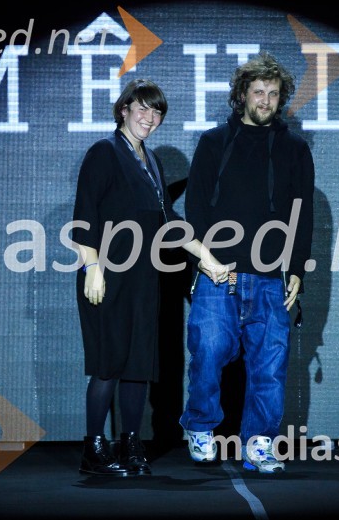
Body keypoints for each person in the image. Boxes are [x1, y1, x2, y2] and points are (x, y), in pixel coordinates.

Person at [72, 79, 227, 477]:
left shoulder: (151, 161)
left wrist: (206, 258)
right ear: (123, 109)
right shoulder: (104, 153)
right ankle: (94, 450)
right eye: (142, 108)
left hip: (144, 280)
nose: (150, 118)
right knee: (109, 364)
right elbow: (84, 217)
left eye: (157, 112)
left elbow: (168, 222)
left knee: (139, 365)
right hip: (107, 276)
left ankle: (131, 446)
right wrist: (92, 267)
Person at [179, 52, 315, 474]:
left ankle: (260, 445)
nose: (266, 100)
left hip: (271, 277)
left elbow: (301, 212)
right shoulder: (213, 143)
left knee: (269, 368)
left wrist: (295, 269)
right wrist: (204, 261)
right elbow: (196, 206)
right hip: (220, 273)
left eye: (274, 93)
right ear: (242, 95)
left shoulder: (294, 149)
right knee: (208, 353)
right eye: (258, 91)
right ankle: (200, 427)